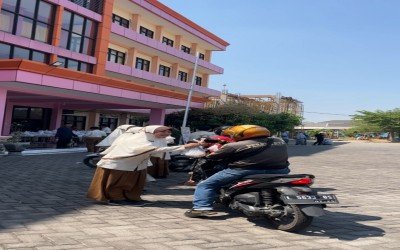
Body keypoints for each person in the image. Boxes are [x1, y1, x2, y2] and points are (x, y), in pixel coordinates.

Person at [185, 125, 290, 218]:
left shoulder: (233, 145)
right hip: (280, 170)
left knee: (205, 185)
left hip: (245, 171)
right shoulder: (279, 141)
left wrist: (203, 153)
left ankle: (201, 208)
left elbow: (213, 156)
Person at [87, 125, 199, 206]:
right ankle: (116, 199)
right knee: (117, 183)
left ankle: (130, 197)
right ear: (152, 131)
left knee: (133, 183)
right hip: (119, 164)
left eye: (167, 133)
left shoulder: (155, 138)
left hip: (135, 165)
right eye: (162, 132)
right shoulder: (139, 138)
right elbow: (156, 149)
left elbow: (163, 149)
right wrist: (185, 146)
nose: (165, 135)